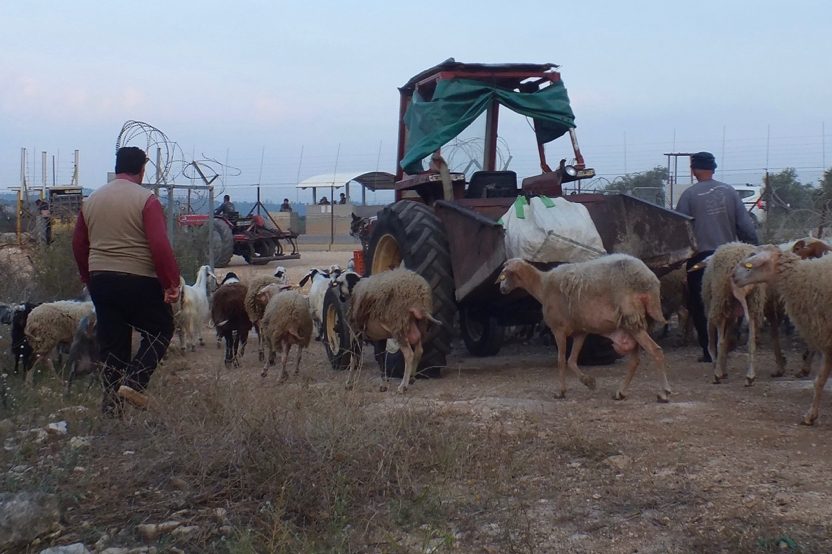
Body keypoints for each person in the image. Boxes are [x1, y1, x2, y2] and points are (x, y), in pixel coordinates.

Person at [72, 146, 181, 417]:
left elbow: (78, 244)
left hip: (101, 281)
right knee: (160, 329)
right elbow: (159, 244)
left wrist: (89, 278)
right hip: (137, 278)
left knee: (114, 343)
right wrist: (171, 282)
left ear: (118, 166)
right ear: (142, 169)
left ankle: (111, 407)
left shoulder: (92, 200)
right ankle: (134, 383)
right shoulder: (146, 199)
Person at [675, 151, 758, 363]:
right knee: (732, 298)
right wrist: (754, 249)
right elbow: (746, 227)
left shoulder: (689, 196)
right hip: (730, 256)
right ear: (713, 169)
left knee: (702, 303)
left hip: (701, 260)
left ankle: (709, 350)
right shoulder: (730, 192)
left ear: (694, 171)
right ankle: (731, 338)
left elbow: (679, 229)